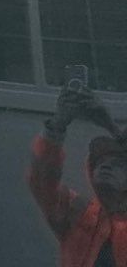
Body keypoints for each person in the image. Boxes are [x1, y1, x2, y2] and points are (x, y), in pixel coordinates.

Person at [30, 84, 127, 267]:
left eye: (117, 163)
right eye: (100, 160)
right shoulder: (78, 212)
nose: (105, 165)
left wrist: (110, 125)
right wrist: (57, 125)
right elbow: (42, 182)